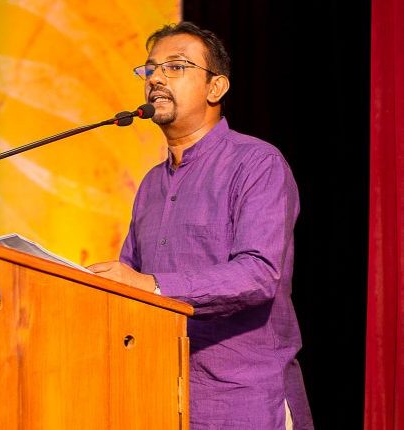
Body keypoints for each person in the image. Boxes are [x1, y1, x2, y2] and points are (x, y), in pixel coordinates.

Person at [88, 22, 313, 429]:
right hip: (160, 396)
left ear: (216, 88)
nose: (155, 79)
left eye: (175, 67)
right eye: (150, 69)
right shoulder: (151, 184)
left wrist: (152, 285)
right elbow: (130, 283)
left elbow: (259, 274)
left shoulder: (257, 164)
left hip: (243, 401)